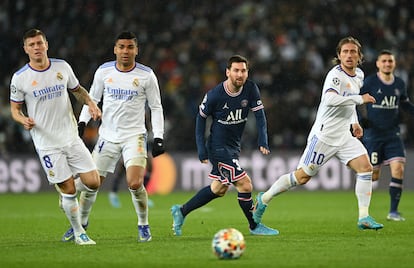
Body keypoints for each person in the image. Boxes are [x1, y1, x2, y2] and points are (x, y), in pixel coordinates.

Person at [253, 36, 384, 231]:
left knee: (366, 168)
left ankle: (364, 217)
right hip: (324, 136)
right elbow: (331, 99)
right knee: (302, 177)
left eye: (353, 52)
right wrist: (360, 99)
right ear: (339, 56)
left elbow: (347, 104)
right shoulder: (335, 76)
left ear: (359, 57)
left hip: (345, 135)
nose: (349, 55)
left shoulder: (359, 75)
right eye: (345, 52)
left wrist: (355, 122)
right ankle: (263, 199)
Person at [9, 28, 102, 245]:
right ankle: (79, 232)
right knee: (70, 190)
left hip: (70, 137)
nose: (36, 48)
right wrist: (22, 119)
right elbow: (15, 109)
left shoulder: (62, 67)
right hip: (47, 143)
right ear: (25, 49)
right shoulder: (20, 78)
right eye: (32, 45)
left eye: (39, 43)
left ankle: (65, 194)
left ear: (46, 45)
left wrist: (90, 103)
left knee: (93, 182)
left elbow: (77, 90)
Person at [171, 55, 279, 236]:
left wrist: (263, 140)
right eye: (236, 70)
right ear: (227, 72)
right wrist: (201, 148)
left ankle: (181, 211)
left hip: (233, 147)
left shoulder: (251, 89)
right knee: (245, 184)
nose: (240, 74)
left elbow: (260, 116)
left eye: (243, 70)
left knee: (218, 189)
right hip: (217, 147)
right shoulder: (215, 95)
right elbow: (200, 119)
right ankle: (254, 225)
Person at [76, 31, 165, 242]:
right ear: (115, 49)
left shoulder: (146, 75)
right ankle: (81, 223)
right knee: (92, 183)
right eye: (122, 47)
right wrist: (82, 122)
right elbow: (92, 99)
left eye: (130, 47)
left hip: (134, 136)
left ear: (136, 50)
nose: (126, 51)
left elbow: (156, 106)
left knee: (134, 183)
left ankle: (143, 224)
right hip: (107, 136)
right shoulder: (104, 71)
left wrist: (159, 136)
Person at [359, 49, 414, 221]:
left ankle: (393, 212)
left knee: (398, 169)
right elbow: (355, 101)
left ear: (394, 63)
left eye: (390, 61)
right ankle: (363, 211)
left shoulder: (399, 83)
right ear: (378, 64)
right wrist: (361, 119)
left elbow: (405, 104)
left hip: (393, 135)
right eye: (384, 61)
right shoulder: (370, 82)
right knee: (374, 175)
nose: (387, 64)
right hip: (373, 135)